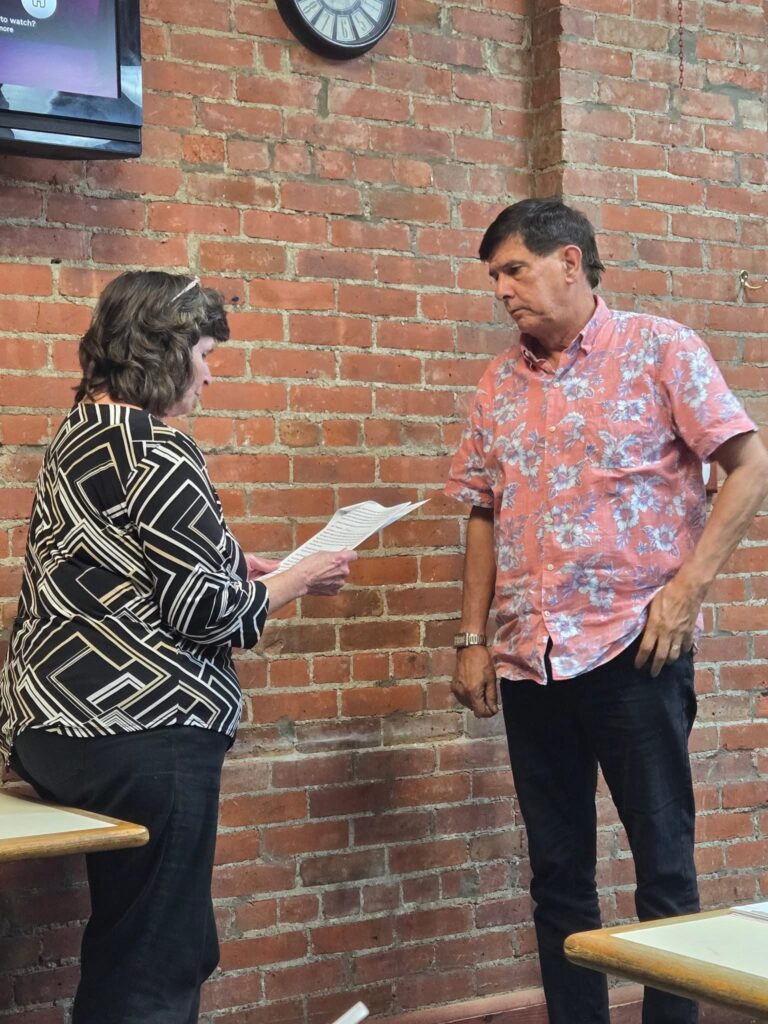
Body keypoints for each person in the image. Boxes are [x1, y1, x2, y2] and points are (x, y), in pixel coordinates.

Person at [0, 270, 357, 1024]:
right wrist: (299, 577)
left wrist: (233, 559)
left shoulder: (80, 434)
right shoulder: (162, 450)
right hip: (145, 734)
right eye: (204, 354)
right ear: (165, 351)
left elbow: (117, 559)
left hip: (51, 730)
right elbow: (209, 615)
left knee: (148, 945)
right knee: (157, 967)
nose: (209, 375)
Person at [445, 198, 768, 1024]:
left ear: (570, 262)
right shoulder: (498, 383)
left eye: (513, 270)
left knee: (665, 870)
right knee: (557, 875)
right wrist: (472, 638)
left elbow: (750, 465)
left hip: (636, 651)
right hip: (531, 660)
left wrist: (686, 592)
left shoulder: (661, 349)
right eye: (494, 277)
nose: (502, 290)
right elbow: (482, 510)